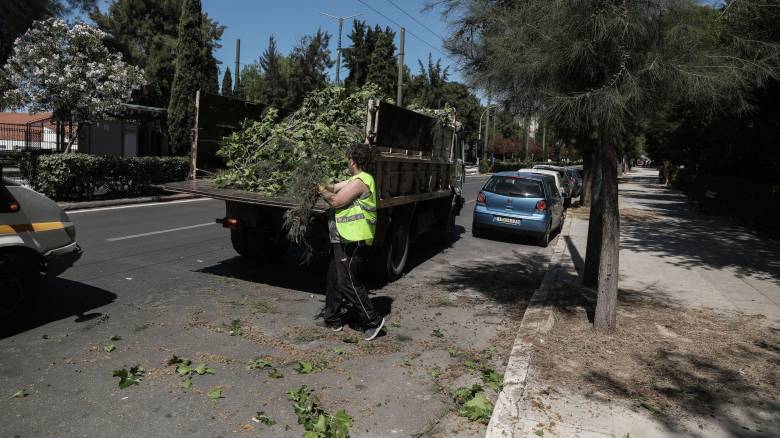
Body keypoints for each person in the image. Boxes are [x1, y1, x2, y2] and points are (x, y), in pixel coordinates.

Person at [317, 143, 385, 341]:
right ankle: (332, 318)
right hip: (343, 237)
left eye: (348, 158)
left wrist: (322, 189)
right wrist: (319, 182)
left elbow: (336, 200)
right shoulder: (354, 179)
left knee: (347, 281)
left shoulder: (361, 181)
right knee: (333, 277)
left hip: (354, 238)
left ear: (353, 161)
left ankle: (372, 320)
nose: (347, 161)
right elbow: (334, 187)